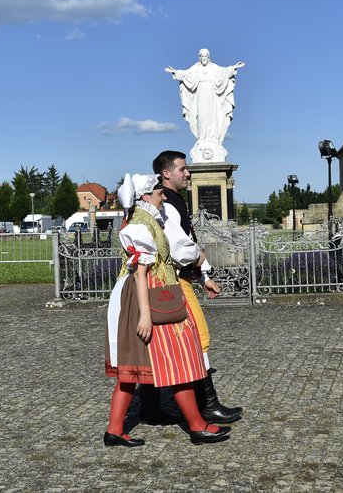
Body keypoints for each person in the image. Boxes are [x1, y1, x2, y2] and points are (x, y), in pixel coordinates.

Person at [104, 174, 231, 446]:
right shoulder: (140, 225)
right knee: (178, 359)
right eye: (159, 192)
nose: (163, 196)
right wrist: (146, 316)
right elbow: (140, 272)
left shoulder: (147, 220)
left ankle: (114, 430)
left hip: (151, 294)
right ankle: (197, 426)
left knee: (132, 369)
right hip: (151, 297)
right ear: (145, 197)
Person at [148, 150, 242, 423]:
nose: (188, 173)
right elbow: (178, 246)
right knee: (198, 339)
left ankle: (151, 405)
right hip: (174, 282)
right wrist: (198, 258)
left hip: (183, 278)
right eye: (182, 169)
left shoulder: (174, 201)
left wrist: (203, 275)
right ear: (166, 173)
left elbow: (186, 239)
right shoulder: (166, 202)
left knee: (163, 344)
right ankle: (207, 405)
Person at [164, 49, 245, 162]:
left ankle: (212, 138)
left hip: (212, 94)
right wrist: (176, 72)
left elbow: (224, 72)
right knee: (202, 116)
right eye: (202, 56)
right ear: (199, 57)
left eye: (206, 56)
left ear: (209, 57)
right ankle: (202, 138)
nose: (204, 58)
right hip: (201, 94)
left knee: (212, 116)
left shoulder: (214, 68)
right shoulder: (196, 68)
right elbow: (186, 74)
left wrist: (233, 68)